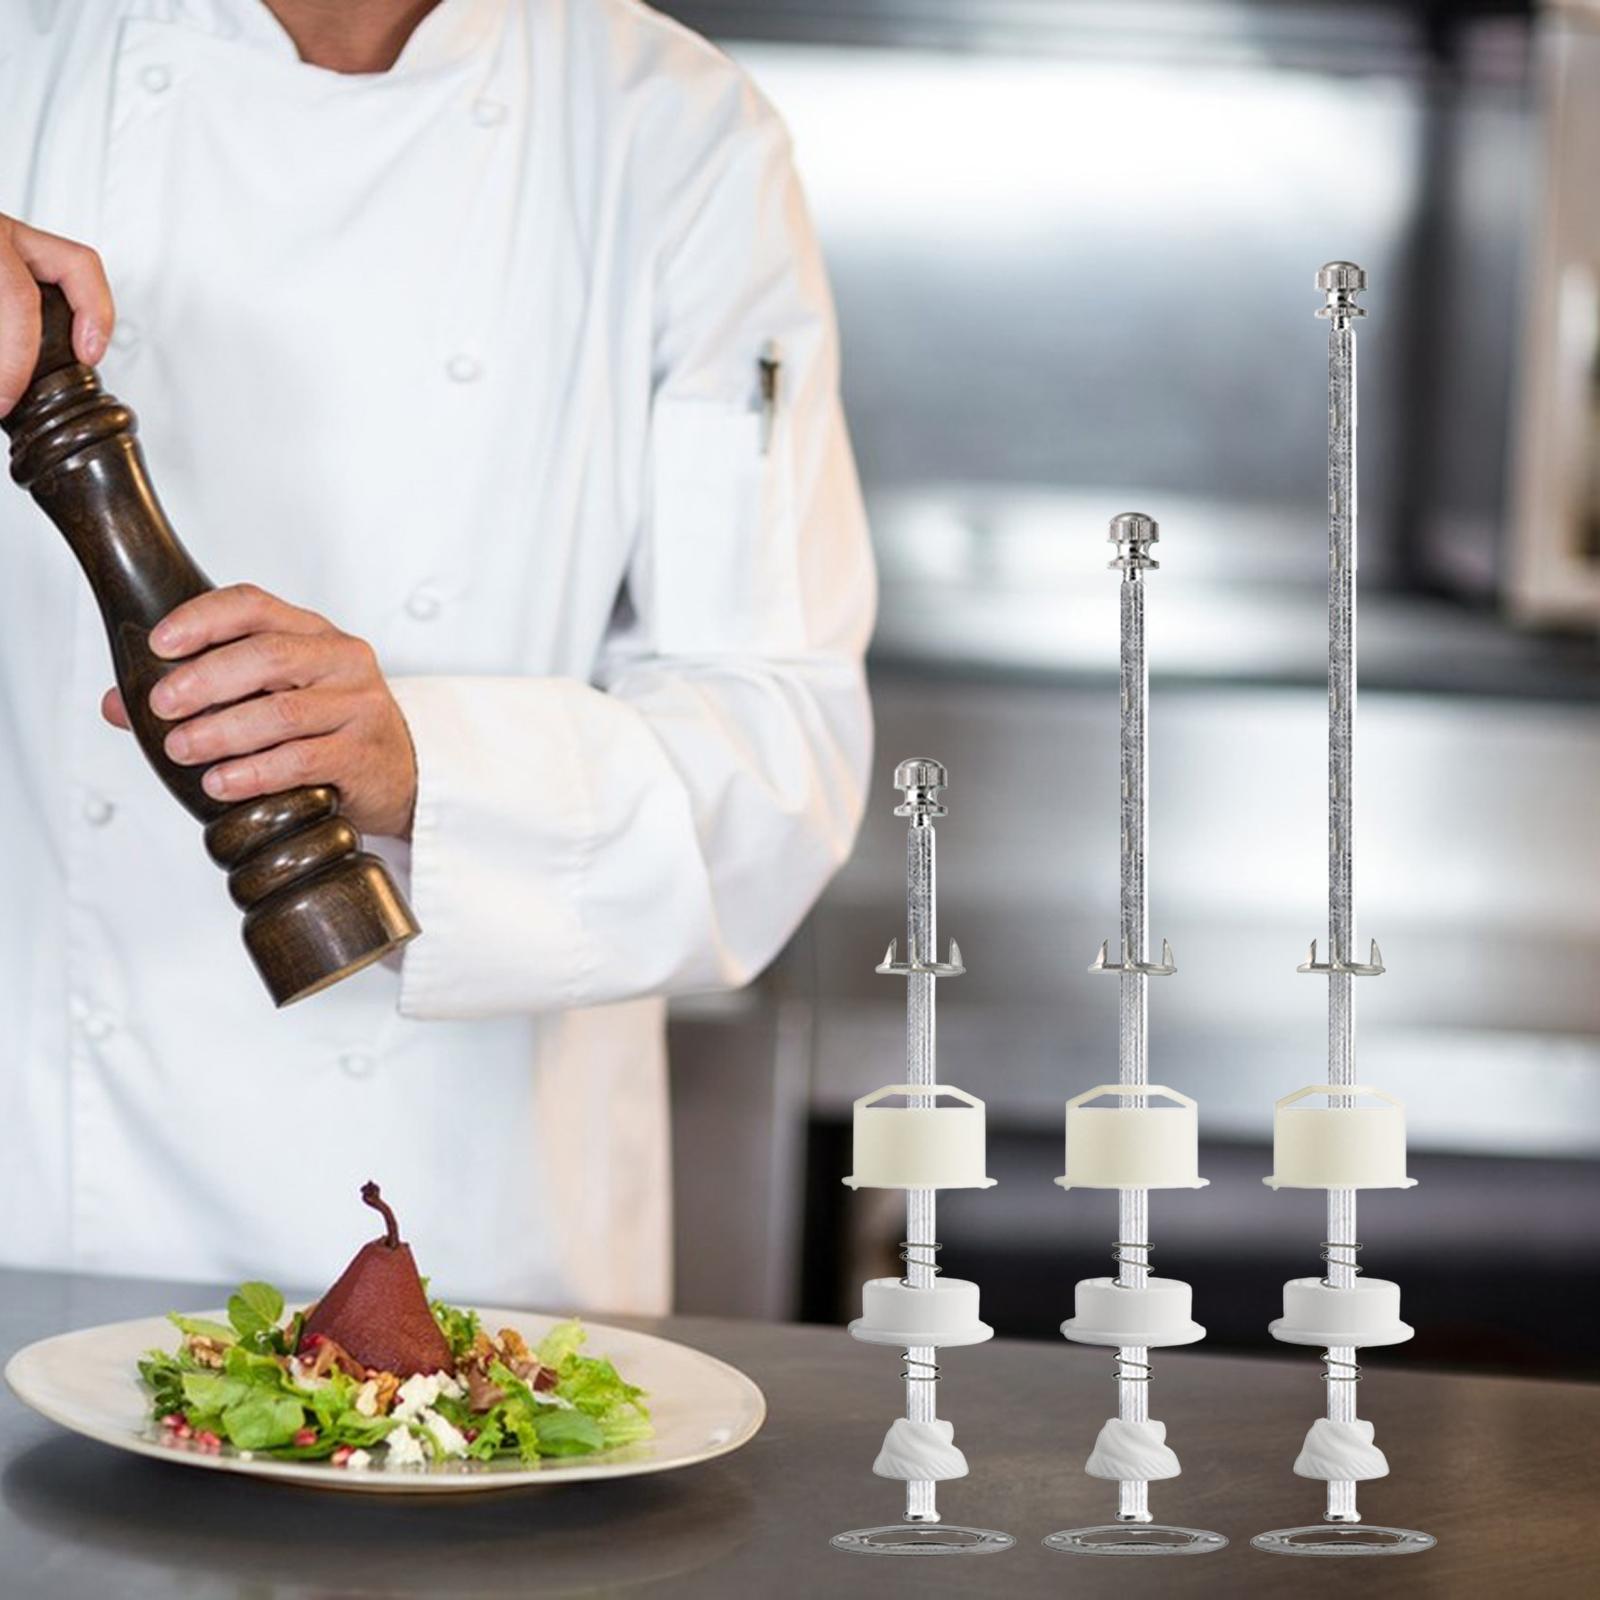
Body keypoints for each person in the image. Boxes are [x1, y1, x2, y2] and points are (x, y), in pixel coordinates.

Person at [0, 0, 874, 1312]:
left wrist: (429, 765)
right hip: (30, 1195)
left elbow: (778, 755)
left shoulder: (674, 128)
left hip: (467, 1226)